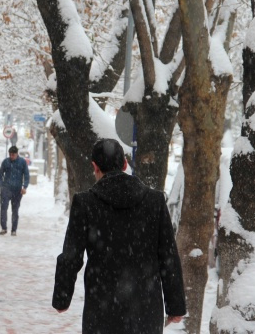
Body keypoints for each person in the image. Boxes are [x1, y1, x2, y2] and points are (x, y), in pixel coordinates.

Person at [52, 138, 186, 334]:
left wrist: (62, 299)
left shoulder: (85, 203)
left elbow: (71, 256)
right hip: (146, 310)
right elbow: (168, 256)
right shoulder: (154, 202)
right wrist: (175, 305)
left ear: (94, 166)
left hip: (102, 309)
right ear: (124, 164)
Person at [0, 145, 30, 236]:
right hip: (6, 189)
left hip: (17, 190)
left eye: (13, 155)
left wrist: (24, 187)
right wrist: (1, 185)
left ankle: (13, 229)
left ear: (17, 154)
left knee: (15, 210)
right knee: (3, 208)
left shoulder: (22, 162)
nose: (11, 156)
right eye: (10, 154)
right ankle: (4, 228)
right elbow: (0, 174)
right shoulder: (6, 162)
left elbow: (26, 175)